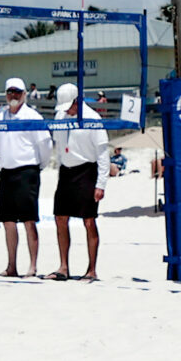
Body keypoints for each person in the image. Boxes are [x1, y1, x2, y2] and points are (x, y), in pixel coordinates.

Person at [0, 78, 51, 278]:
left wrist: (38, 167)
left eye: (17, 92)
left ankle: (32, 266)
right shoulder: (0, 118)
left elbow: (45, 146)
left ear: (24, 94)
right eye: (10, 92)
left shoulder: (32, 116)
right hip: (7, 173)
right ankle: (11, 266)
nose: (13, 95)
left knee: (29, 220)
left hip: (27, 171)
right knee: (8, 222)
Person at [49, 85, 107, 280]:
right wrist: (59, 171)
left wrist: (101, 184)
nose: (67, 111)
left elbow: (103, 154)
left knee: (89, 220)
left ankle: (92, 269)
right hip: (66, 171)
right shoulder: (60, 117)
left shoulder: (93, 119)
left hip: (86, 171)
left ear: (77, 101)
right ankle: (63, 267)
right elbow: (58, 146)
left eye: (69, 106)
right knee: (60, 218)